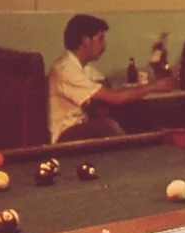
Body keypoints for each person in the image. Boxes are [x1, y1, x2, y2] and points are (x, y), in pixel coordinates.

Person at [47, 14, 177, 143]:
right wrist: (154, 86)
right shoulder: (66, 69)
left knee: (133, 116)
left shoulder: (84, 68)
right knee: (108, 126)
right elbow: (115, 97)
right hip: (65, 134)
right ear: (86, 41)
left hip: (81, 127)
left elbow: (106, 85)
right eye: (100, 39)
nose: (104, 45)